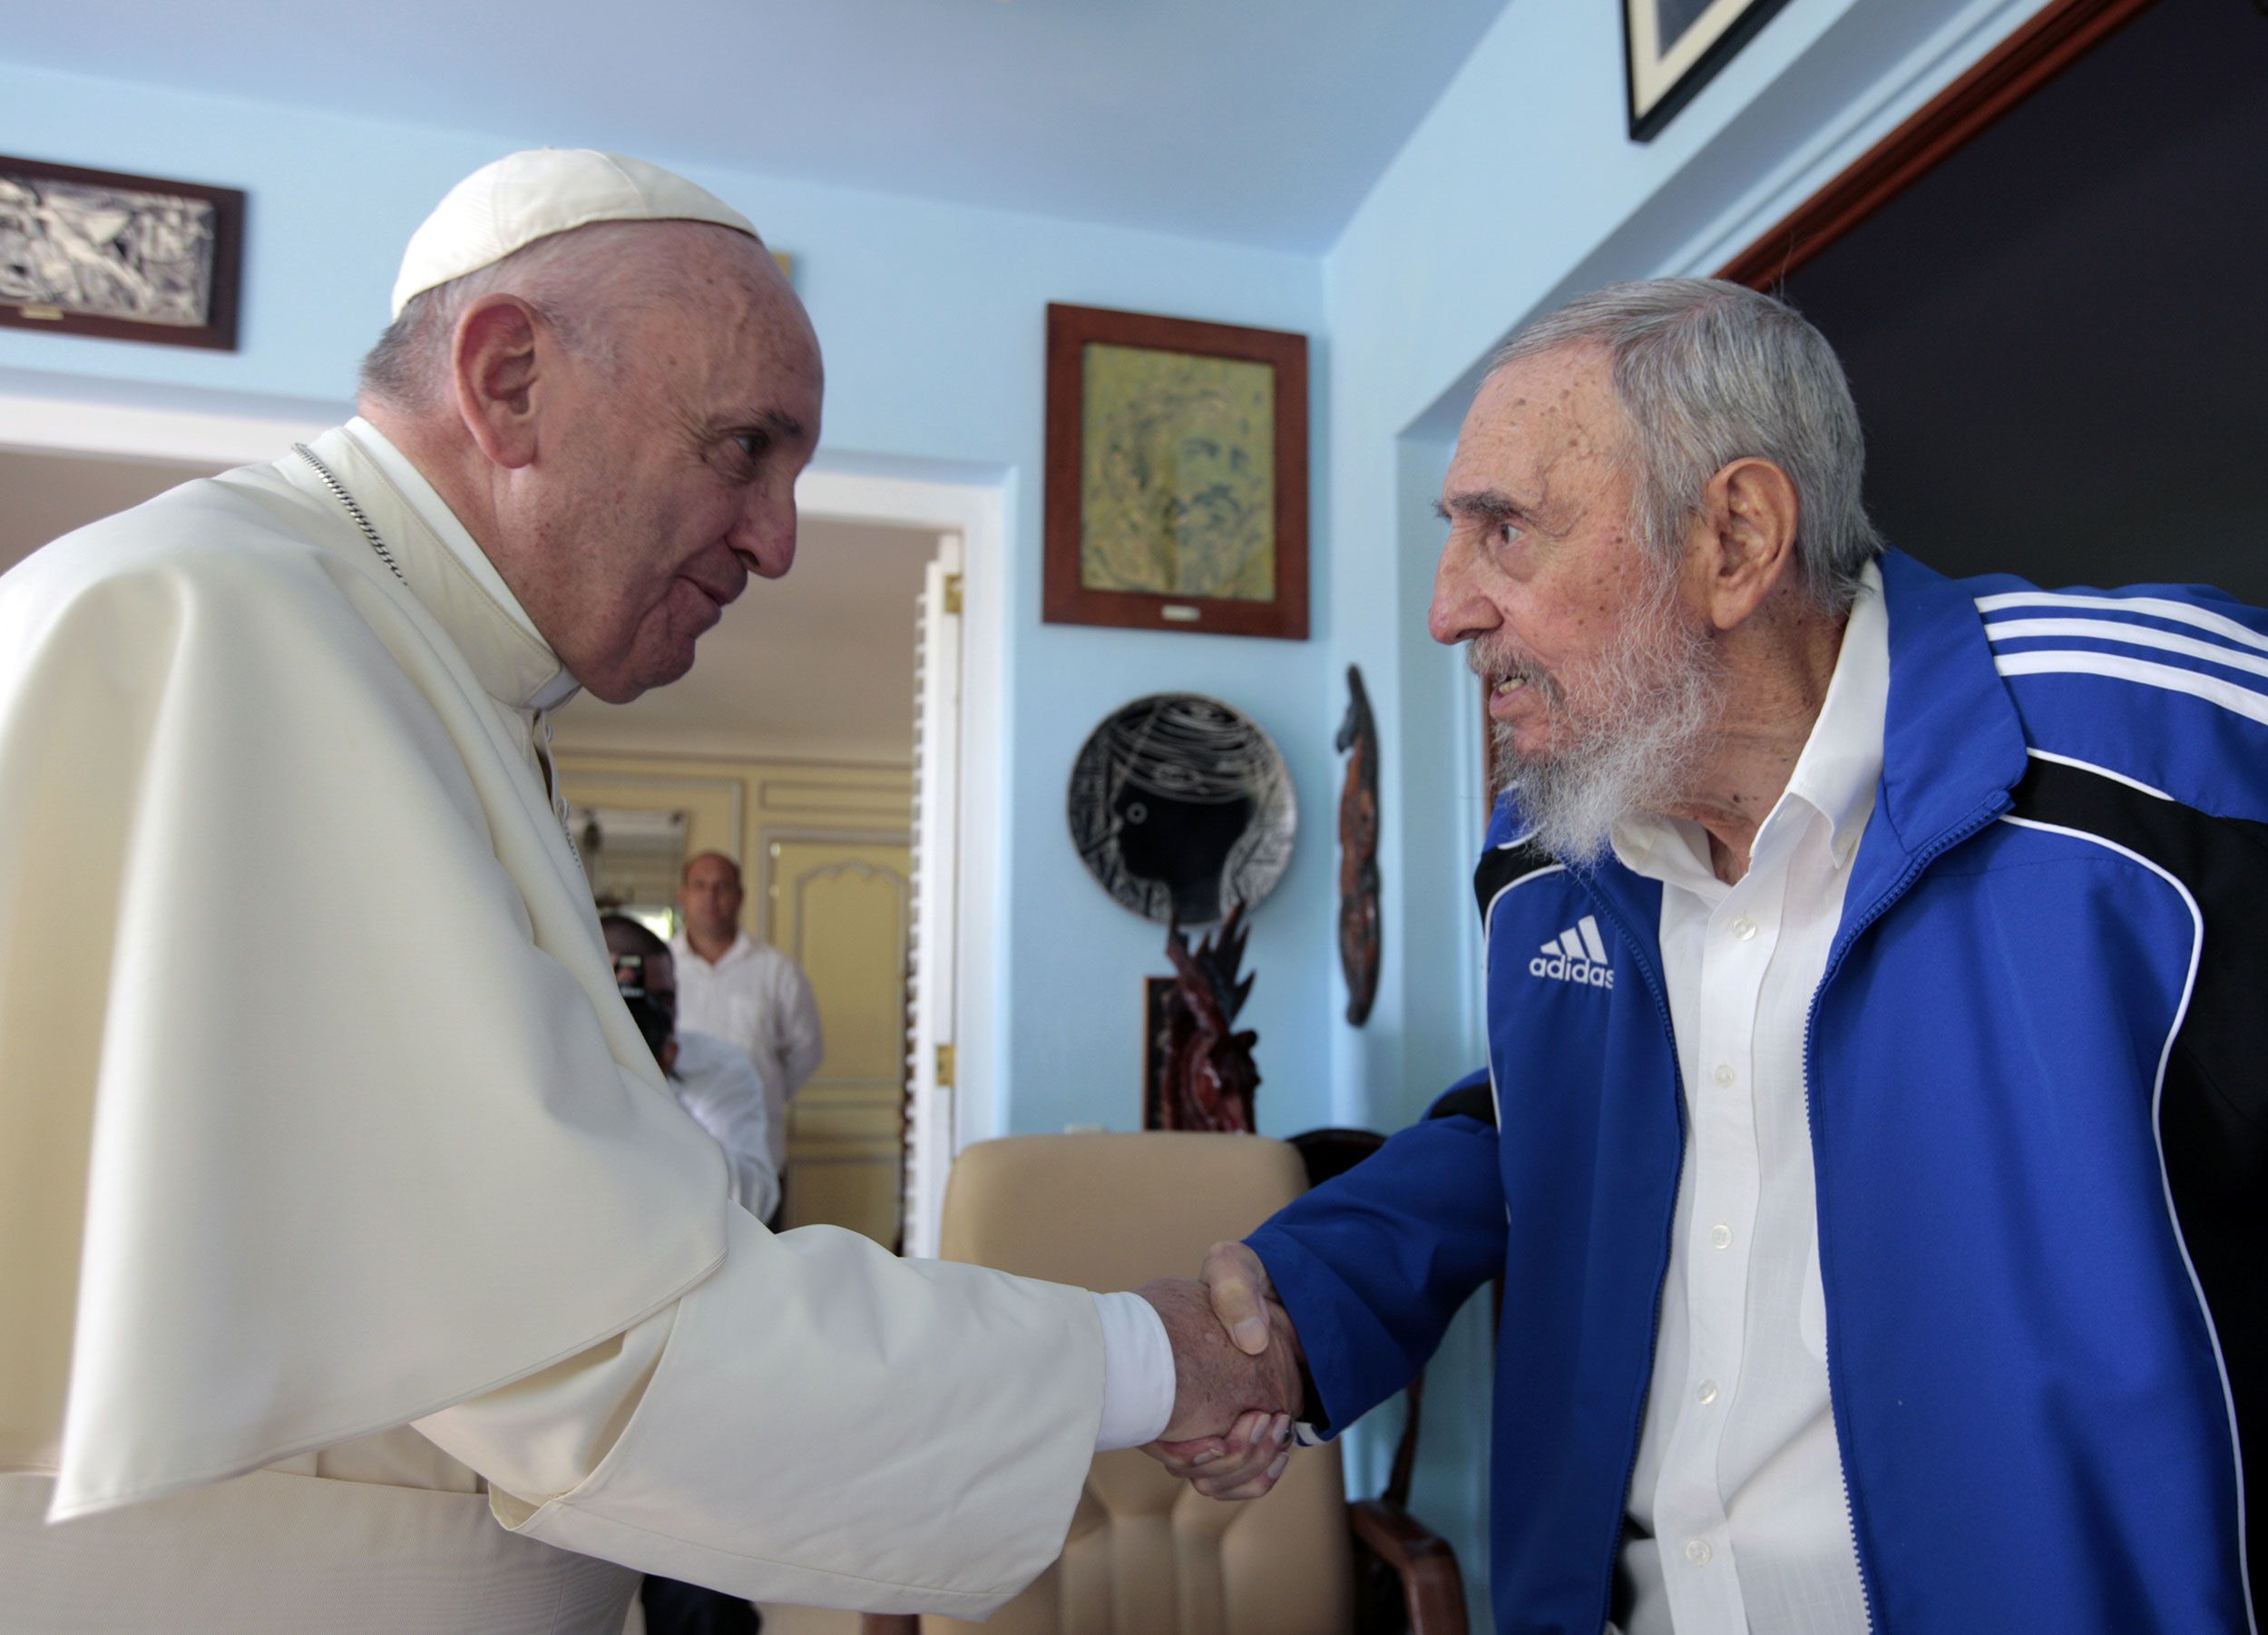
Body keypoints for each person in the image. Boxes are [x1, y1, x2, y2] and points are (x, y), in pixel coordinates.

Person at [0, 148, 1294, 1631]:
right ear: (508, 381)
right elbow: (590, 1345)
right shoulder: (229, 630)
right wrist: (1150, 1356)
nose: (781, 541)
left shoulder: (394, 654)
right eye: (745, 447)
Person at [1149, 279, 2263, 1633]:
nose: (1448, 608)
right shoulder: (1547, 847)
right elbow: (1551, 1126)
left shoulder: (2179, 754)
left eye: (1505, 530)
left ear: (1735, 536)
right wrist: (1304, 1301)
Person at [604, 914, 780, 1225]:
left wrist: (657, 1091)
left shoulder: (720, 1066)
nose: (649, 1014)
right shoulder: (550, 1069)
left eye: (662, 999)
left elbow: (753, 1202)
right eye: (626, 998)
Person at [671, 851, 822, 1203]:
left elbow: (807, 1050)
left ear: (739, 895)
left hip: (757, 1157)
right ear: (683, 895)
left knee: (764, 1257)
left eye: (722, 886)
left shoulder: (776, 970)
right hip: (675, 1161)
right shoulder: (662, 968)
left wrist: (760, 1091)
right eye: (700, 886)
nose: (711, 896)